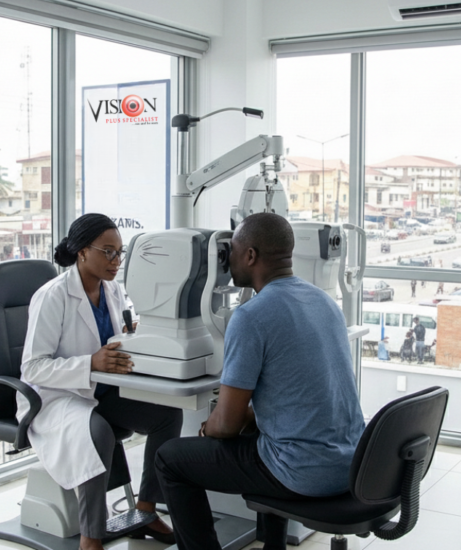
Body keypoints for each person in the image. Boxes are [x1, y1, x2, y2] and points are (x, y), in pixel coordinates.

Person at [155, 213, 365, 550]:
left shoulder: (251, 316)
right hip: (355, 464)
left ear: (250, 256)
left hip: (304, 472)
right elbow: (301, 397)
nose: (229, 261)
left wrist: (208, 428)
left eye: (232, 251)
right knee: (259, 431)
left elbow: (225, 426)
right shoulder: (323, 301)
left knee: (170, 459)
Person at [18, 213, 180, 550]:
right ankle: (91, 538)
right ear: (81, 252)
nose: (116, 261)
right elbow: (33, 368)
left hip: (102, 390)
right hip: (58, 397)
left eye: (120, 253)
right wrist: (89, 363)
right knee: (98, 434)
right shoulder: (53, 296)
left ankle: (146, 510)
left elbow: (113, 338)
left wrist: (134, 339)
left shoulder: (113, 290)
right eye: (108, 252)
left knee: (168, 414)